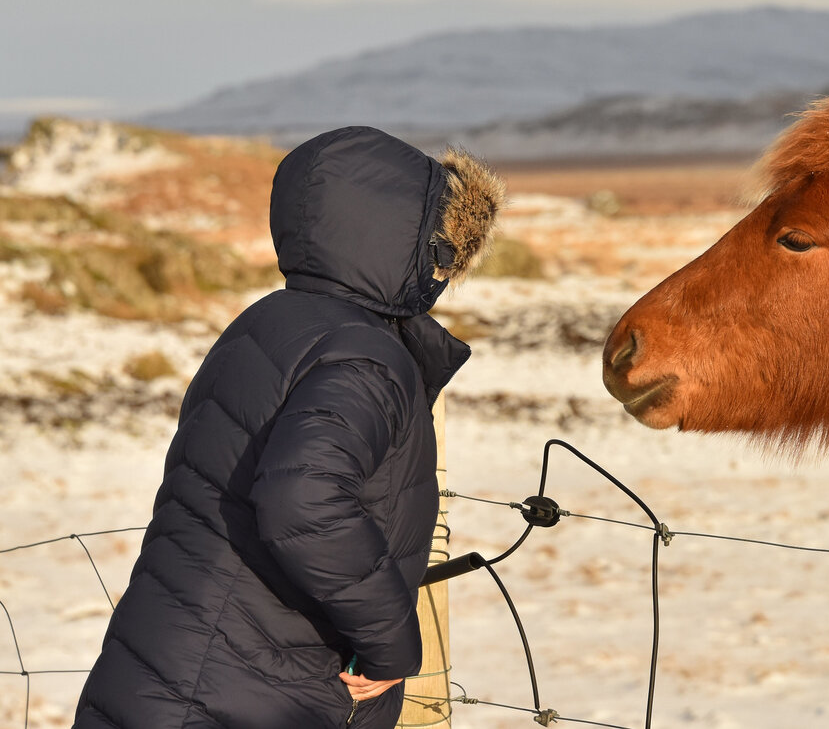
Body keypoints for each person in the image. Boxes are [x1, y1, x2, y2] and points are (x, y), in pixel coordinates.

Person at [73, 126, 505, 729]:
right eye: (441, 241)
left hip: (171, 663)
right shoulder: (366, 357)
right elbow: (303, 500)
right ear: (404, 241)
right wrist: (388, 642)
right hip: (250, 686)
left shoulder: (270, 322)